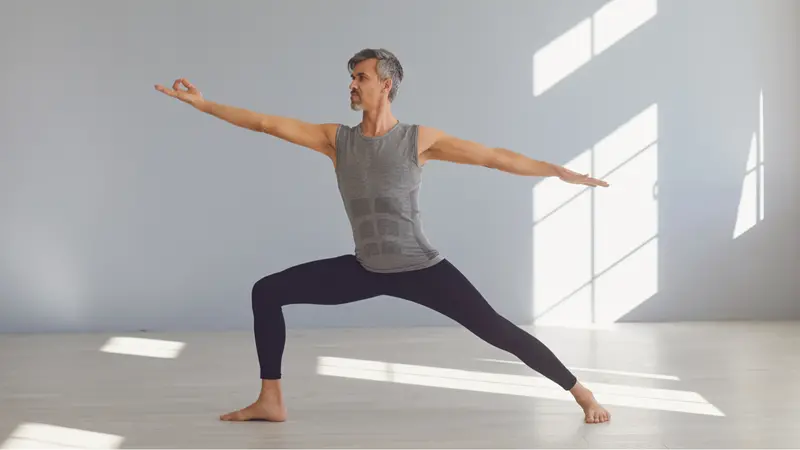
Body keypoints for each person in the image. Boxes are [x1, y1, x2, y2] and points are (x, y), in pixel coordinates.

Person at [155, 48, 611, 424]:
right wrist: (204, 104)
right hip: (367, 268)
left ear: (385, 84)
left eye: (361, 77)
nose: (352, 84)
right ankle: (270, 399)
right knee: (267, 292)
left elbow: (493, 156)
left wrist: (556, 171)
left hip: (421, 268)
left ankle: (582, 392)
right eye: (351, 78)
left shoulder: (418, 139)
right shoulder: (337, 140)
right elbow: (264, 122)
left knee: (497, 330)